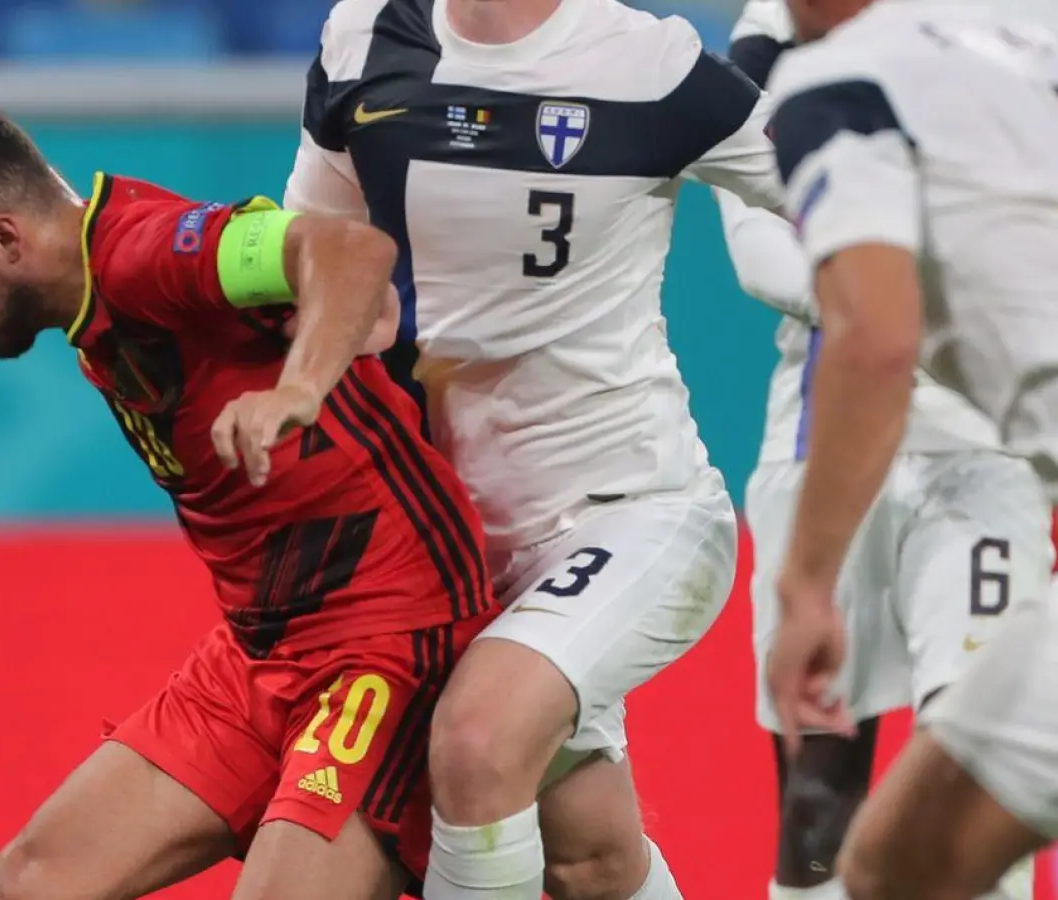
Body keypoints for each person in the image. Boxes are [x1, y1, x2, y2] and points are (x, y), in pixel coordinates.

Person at [0, 23, 501, 900]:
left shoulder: (149, 256)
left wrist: (298, 390)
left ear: (3, 243)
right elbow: (0, 194)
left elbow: (351, 251)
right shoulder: (58, 239)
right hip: (265, 648)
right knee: (37, 882)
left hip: (386, 635)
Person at [284, 0, 782, 897]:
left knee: (477, 743)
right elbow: (314, 252)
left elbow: (845, 205)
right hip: (452, 547)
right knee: (590, 861)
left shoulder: (650, 63)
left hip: (635, 510)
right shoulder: (364, 35)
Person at [718, 4, 1050, 900]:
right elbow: (757, 247)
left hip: (980, 460)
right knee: (859, 835)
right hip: (827, 447)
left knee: (968, 799)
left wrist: (883, 283)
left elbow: (875, 332)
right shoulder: (779, 52)